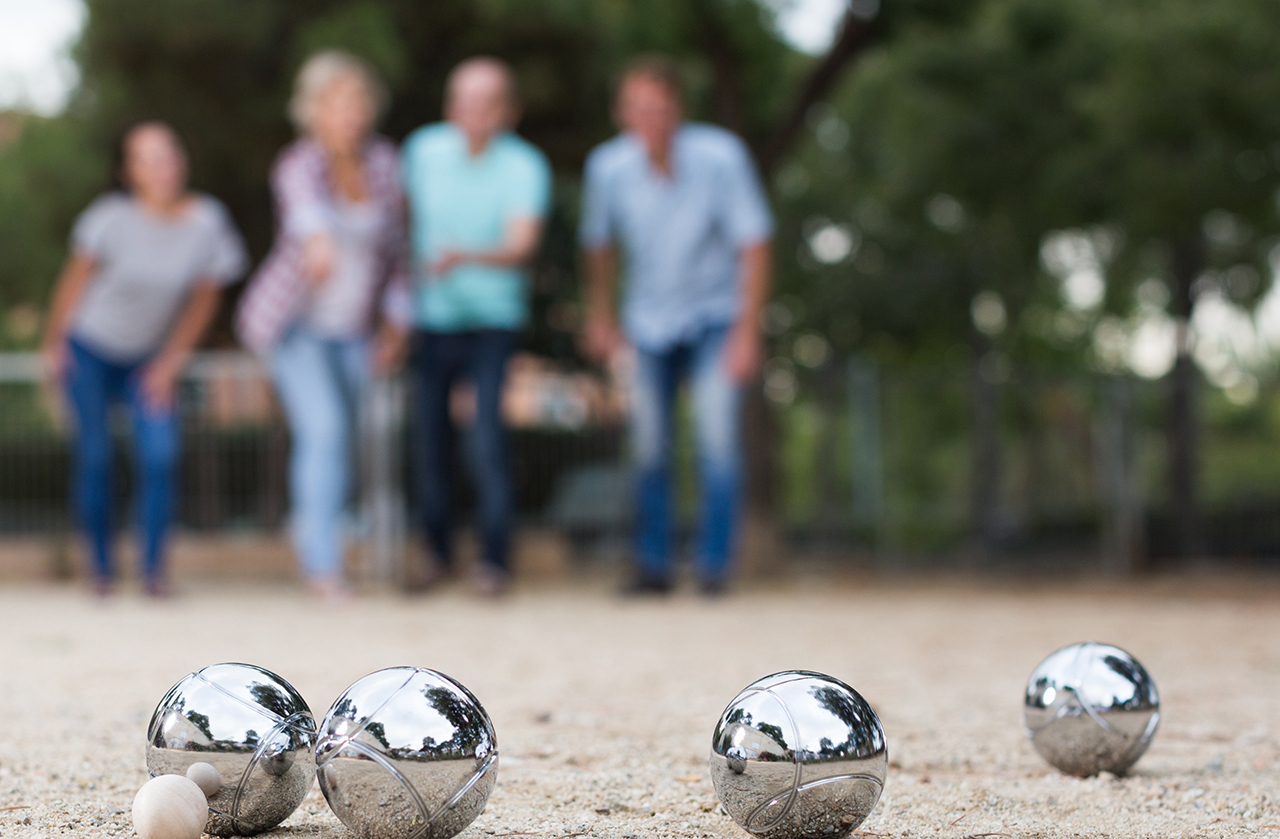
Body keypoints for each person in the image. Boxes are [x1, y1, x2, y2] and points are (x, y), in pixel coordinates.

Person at [579, 56, 774, 596]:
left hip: (716, 317)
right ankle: (654, 565)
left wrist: (747, 331)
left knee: (716, 439)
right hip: (647, 320)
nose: (652, 118)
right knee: (648, 445)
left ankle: (715, 567)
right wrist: (600, 315)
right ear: (623, 113)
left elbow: (754, 245)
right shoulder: (608, 168)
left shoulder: (721, 158)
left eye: (661, 108)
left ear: (679, 110)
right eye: (640, 108)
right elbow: (598, 246)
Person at [41, 121, 248, 597]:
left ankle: (154, 571)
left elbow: (205, 298)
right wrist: (53, 345)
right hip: (90, 348)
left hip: (148, 360)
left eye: (170, 153)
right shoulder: (109, 218)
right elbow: (73, 282)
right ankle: (101, 568)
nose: (164, 165)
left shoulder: (207, 222)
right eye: (149, 158)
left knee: (161, 456)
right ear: (130, 172)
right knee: (95, 456)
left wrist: (171, 361)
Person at [236, 51, 411, 601]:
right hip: (295, 326)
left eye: (358, 102)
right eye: (337, 103)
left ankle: (317, 531)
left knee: (358, 437)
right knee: (325, 431)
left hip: (355, 328)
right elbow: (307, 219)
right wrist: (317, 244)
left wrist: (398, 325)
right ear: (313, 111)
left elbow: (400, 255)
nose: (350, 114)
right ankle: (322, 564)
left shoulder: (386, 165)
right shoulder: (298, 165)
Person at [401, 57, 552, 596]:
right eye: (463, 101)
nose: (473, 114)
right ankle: (437, 553)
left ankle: (494, 559)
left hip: (493, 319)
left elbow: (522, 244)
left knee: (485, 438)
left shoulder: (525, 166)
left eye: (486, 103)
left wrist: (462, 257)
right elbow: (399, 219)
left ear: (507, 111)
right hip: (433, 319)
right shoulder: (422, 151)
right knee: (430, 441)